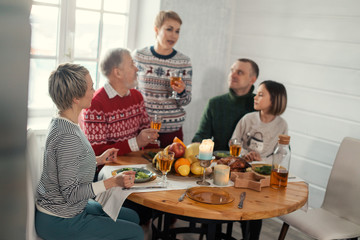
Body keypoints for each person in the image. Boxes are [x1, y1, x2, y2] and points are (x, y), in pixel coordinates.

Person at [35, 63, 143, 240]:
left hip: (70, 209)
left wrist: (98, 160)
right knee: (136, 233)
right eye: (91, 87)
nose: (94, 91)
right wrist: (112, 182)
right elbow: (71, 193)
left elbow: (68, 166)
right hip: (61, 219)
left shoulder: (63, 121)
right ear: (76, 98)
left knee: (133, 217)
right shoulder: (67, 136)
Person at [79, 48, 159, 174]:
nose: (137, 69)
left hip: (138, 167)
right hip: (109, 172)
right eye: (131, 64)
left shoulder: (137, 96)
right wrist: (136, 142)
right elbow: (97, 152)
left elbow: (147, 136)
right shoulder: (95, 104)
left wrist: (159, 155)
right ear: (118, 72)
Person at [231, 80, 288, 240]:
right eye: (257, 93)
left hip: (263, 176)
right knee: (241, 204)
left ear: (275, 100)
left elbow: (281, 154)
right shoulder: (248, 119)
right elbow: (234, 141)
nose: (255, 97)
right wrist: (245, 155)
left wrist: (261, 159)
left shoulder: (282, 125)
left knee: (255, 212)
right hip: (242, 171)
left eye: (261, 95)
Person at [132, 10, 192, 148]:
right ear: (156, 29)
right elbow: (131, 92)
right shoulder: (139, 56)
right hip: (143, 129)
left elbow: (186, 101)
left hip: (172, 130)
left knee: (170, 169)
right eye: (169, 29)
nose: (173, 35)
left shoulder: (184, 62)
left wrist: (181, 91)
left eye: (177, 31)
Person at [192, 58, 259, 150]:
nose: (232, 75)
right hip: (217, 160)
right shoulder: (214, 103)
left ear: (252, 80)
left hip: (249, 162)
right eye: (232, 71)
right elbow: (202, 136)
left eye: (239, 73)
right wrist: (194, 146)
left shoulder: (259, 106)